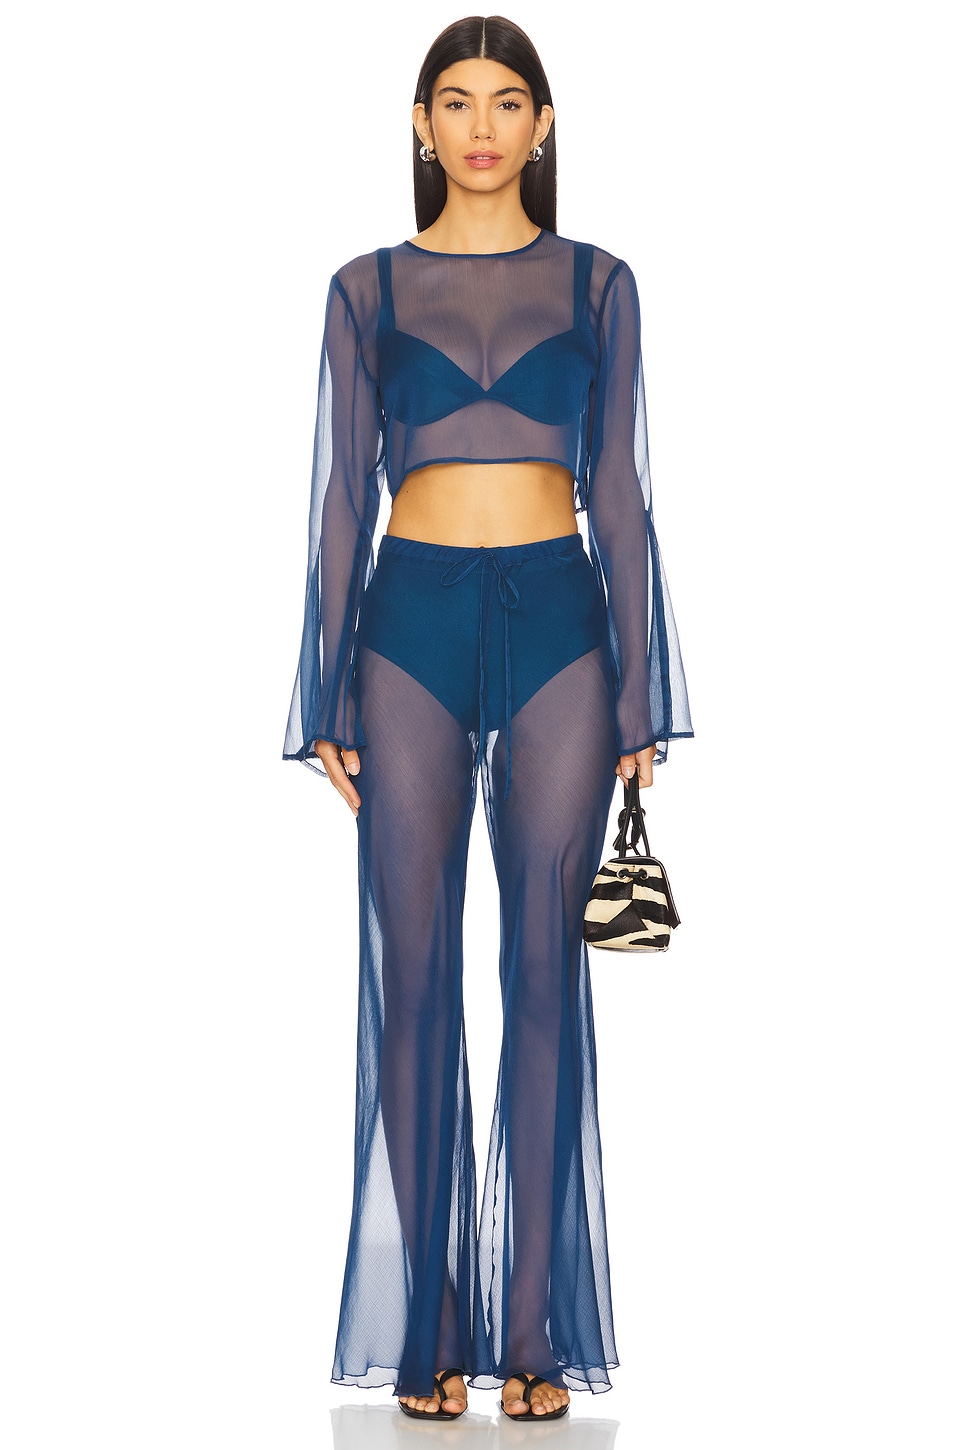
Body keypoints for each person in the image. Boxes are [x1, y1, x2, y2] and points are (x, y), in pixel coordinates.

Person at [283, 14, 694, 1422]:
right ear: (421, 126)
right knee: (412, 976)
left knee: (542, 972)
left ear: (542, 123)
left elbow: (621, 489)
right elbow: (340, 495)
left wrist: (639, 683)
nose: (480, 127)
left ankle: (530, 1334)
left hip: (560, 626)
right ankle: (430, 1328)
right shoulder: (363, 290)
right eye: (454, 103)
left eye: (506, 102)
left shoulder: (599, 285)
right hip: (405, 625)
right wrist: (325, 680)